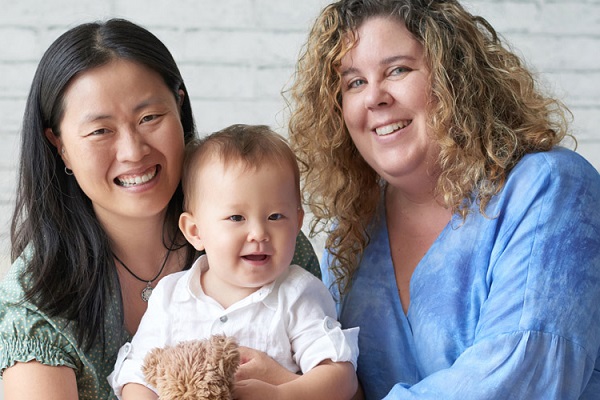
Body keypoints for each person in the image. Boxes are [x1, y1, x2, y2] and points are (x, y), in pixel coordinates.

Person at [286, 0, 600, 398]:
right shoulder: (350, 231)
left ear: (455, 77)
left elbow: (519, 377)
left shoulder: (549, 188)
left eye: (397, 69)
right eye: (354, 83)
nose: (374, 97)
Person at [0, 19, 320, 399]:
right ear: (60, 145)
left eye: (149, 118)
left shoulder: (264, 238)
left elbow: (348, 382)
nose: (133, 151)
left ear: (179, 105)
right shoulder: (37, 296)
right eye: (101, 130)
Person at [108, 124, 359, 399]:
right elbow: (136, 374)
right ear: (195, 231)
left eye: (275, 217)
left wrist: (280, 395)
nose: (259, 233)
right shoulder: (170, 295)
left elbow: (341, 377)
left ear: (297, 222)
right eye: (237, 218)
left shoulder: (297, 294)